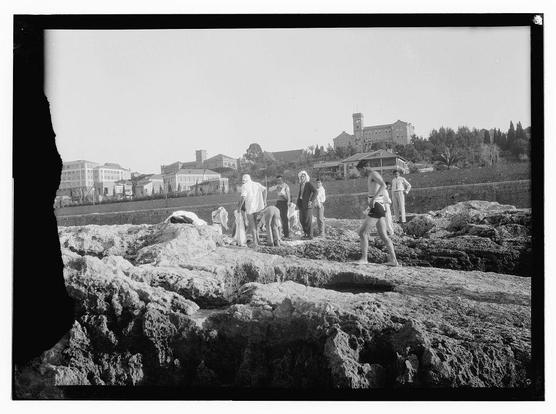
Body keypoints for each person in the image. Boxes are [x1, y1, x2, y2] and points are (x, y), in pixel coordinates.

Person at [356, 162, 399, 266]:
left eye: (360, 170)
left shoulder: (374, 174)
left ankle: (364, 259)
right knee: (383, 235)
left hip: (377, 206)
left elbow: (384, 185)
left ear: (364, 168)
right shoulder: (371, 175)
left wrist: (373, 198)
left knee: (363, 233)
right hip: (378, 206)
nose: (360, 173)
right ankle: (394, 260)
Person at [238, 174, 267, 247]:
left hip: (250, 208)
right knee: (256, 225)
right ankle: (258, 241)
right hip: (258, 207)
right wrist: (264, 201)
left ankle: (255, 243)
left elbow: (243, 198)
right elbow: (265, 189)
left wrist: (239, 208)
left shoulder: (244, 186)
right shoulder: (257, 184)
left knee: (252, 225)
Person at [296, 170, 317, 239]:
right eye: (301, 176)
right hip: (302, 204)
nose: (302, 177)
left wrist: (311, 201)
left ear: (306, 177)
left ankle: (310, 235)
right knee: (302, 219)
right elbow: (300, 195)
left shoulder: (308, 184)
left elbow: (315, 191)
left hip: (308, 205)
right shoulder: (301, 184)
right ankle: (305, 234)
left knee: (308, 220)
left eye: (303, 176)